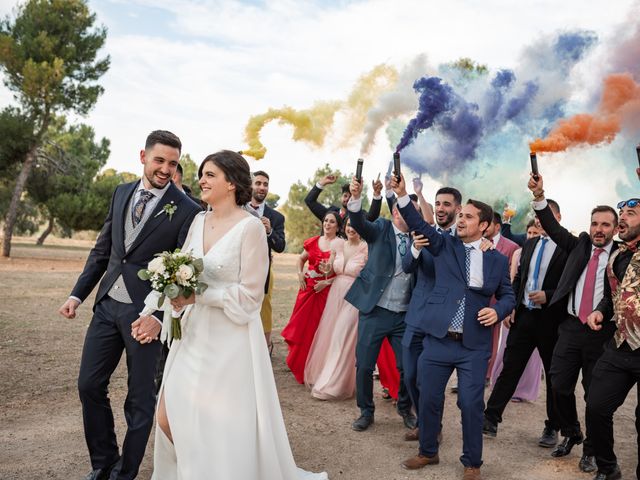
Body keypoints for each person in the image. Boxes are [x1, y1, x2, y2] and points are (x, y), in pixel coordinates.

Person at [152, 150, 327, 480]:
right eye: (202, 174)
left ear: (231, 182)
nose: (201, 180)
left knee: (219, 425)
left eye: (210, 175)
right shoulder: (198, 221)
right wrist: (172, 290)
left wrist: (199, 296)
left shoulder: (251, 229)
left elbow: (250, 297)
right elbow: (183, 266)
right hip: (191, 335)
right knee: (167, 416)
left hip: (230, 341)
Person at [58, 131, 201, 480]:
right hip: (107, 307)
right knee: (89, 386)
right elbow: (103, 250)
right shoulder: (121, 192)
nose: (166, 169)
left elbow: (185, 274)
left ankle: (125, 473)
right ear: (143, 156)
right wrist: (78, 294)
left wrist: (158, 316)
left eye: (173, 163)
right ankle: (103, 463)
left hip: (146, 316)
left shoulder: (188, 210)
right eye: (160, 160)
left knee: (139, 400)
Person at [392, 175, 515, 480]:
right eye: (461, 215)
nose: (460, 220)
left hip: (473, 345)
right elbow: (418, 224)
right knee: (429, 397)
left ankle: (472, 463)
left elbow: (510, 296)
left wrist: (497, 310)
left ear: (484, 226)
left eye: (468, 217)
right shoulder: (445, 245)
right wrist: (404, 194)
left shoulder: (497, 261)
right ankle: (428, 452)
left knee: (471, 403)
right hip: (438, 340)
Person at [528, 174, 618, 473]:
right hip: (569, 327)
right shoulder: (578, 244)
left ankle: (591, 450)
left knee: (595, 396)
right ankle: (571, 432)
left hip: (601, 335)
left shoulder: (622, 256)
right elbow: (552, 228)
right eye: (595, 223)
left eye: (605, 225)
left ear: (615, 229)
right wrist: (540, 197)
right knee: (558, 385)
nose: (598, 229)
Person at [483, 198, 568, 450]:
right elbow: (519, 279)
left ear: (559, 218)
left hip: (551, 320)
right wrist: (511, 307)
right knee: (510, 368)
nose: (541, 219)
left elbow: (570, 284)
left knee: (554, 377)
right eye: (538, 215)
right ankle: (490, 418)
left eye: (547, 215)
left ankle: (552, 426)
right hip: (524, 317)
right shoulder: (529, 244)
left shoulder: (569, 248)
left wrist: (549, 295)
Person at [345, 175, 417, 433]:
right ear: (397, 211)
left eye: (415, 212)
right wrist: (356, 197)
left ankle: (405, 408)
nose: (411, 215)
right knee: (364, 365)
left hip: (404, 316)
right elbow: (358, 222)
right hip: (375, 311)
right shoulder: (382, 228)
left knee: (408, 367)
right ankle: (366, 411)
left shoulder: (419, 238)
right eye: (408, 210)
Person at [401, 186, 463, 440]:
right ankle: (424, 420)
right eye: (437, 203)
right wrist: (415, 248)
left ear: (458, 209)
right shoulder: (423, 234)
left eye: (446, 204)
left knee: (430, 380)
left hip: (443, 322)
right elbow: (407, 267)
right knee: (411, 374)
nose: (440, 208)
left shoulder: (463, 241)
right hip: (417, 316)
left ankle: (431, 427)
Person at [586, 195, 640, 480]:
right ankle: (608, 468)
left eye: (631, 212)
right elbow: (612, 295)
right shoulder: (617, 254)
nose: (623, 217)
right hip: (620, 345)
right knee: (596, 407)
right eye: (622, 212)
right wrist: (599, 311)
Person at [304, 218, 368, 399]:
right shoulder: (338, 245)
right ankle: (325, 375)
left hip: (354, 297)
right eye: (348, 225)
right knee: (331, 335)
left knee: (343, 336)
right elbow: (332, 270)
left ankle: (334, 385)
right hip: (335, 294)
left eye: (355, 225)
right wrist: (327, 275)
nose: (351, 228)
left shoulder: (366, 249)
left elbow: (367, 277)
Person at [282, 211, 343, 384]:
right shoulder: (314, 241)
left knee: (319, 330)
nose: (328, 224)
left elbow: (342, 272)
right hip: (307, 290)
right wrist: (300, 274)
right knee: (301, 328)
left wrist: (327, 282)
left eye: (332, 222)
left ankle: (317, 367)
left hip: (325, 293)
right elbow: (300, 260)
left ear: (338, 226)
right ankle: (298, 363)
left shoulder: (339, 245)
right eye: (326, 221)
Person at [489, 220, 543, 403]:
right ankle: (500, 383)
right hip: (515, 308)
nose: (531, 236)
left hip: (538, 310)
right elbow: (513, 280)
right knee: (507, 349)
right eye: (529, 232)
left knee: (532, 356)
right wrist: (509, 308)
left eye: (535, 233)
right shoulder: (519, 252)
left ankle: (523, 391)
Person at [249, 170, 286, 351]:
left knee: (264, 307)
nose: (262, 187)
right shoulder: (239, 209)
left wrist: (270, 231)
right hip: (239, 267)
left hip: (263, 269)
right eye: (258, 183)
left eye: (265, 184)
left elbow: (280, 246)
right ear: (250, 185)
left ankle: (265, 347)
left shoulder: (276, 217)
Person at [483, 213, 520, 382]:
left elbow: (512, 277)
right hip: (478, 300)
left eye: (487, 224)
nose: (483, 228)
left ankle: (488, 374)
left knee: (495, 341)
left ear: (497, 227)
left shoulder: (511, 247)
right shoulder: (476, 243)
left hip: (498, 302)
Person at [305, 173, 383, 222]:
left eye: (351, 197)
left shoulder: (359, 215)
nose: (348, 199)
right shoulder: (330, 213)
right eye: (345, 196)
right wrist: (322, 182)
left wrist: (377, 194)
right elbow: (310, 201)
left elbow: (372, 217)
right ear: (341, 198)